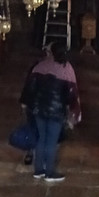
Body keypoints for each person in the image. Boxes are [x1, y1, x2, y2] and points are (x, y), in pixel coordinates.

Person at [19, 42, 77, 183]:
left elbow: (29, 87)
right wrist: (71, 108)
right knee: (52, 141)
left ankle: (38, 170)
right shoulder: (66, 68)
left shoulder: (39, 66)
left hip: (39, 109)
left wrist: (25, 102)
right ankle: (49, 172)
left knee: (41, 138)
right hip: (56, 110)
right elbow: (71, 92)